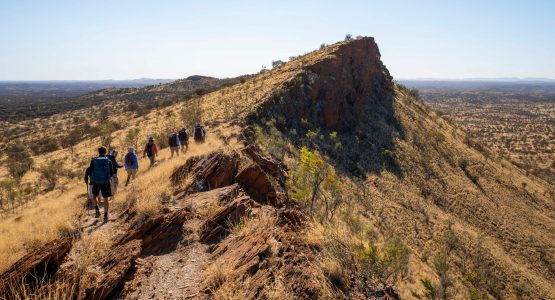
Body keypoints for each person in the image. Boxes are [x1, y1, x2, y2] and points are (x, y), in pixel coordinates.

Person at [84, 146, 113, 222]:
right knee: (106, 199)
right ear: (105, 152)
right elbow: (112, 173)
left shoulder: (93, 160)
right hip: (106, 182)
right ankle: (106, 216)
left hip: (96, 181)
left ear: (98, 152)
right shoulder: (108, 161)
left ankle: (97, 210)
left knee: (94, 196)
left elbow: (90, 170)